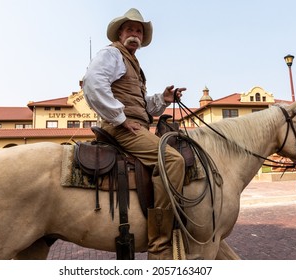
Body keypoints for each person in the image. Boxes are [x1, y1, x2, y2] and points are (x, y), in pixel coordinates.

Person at [83, 8, 186, 259]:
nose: (134, 34)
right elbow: (92, 83)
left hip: (135, 124)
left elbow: (140, 105)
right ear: (120, 33)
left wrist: (163, 99)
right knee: (173, 160)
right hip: (122, 129)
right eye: (130, 29)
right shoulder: (111, 54)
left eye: (138, 30)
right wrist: (120, 118)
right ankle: (160, 241)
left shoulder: (133, 64)